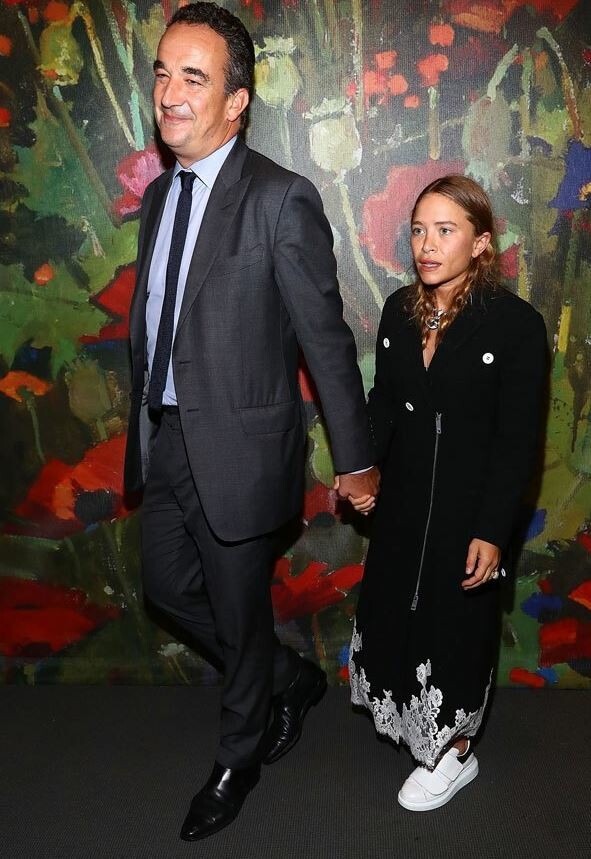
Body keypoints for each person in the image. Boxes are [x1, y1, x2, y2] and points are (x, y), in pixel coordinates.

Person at [123, 1, 379, 842]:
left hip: (240, 451)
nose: (170, 92)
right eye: (163, 73)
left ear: (236, 101)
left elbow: (323, 339)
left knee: (236, 613)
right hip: (165, 439)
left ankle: (239, 754)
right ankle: (287, 677)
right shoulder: (158, 197)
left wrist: (356, 459)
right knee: (165, 586)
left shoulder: (280, 198)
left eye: (193, 77)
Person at [348, 175, 548, 811]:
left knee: (457, 627)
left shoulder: (515, 325)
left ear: (481, 243)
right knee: (398, 613)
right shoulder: (399, 311)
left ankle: (455, 753)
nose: (427, 245)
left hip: (469, 509)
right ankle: (414, 725)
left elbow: (518, 441)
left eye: (445, 230)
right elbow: (384, 403)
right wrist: (361, 466)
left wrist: (493, 529)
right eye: (418, 230)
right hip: (404, 502)